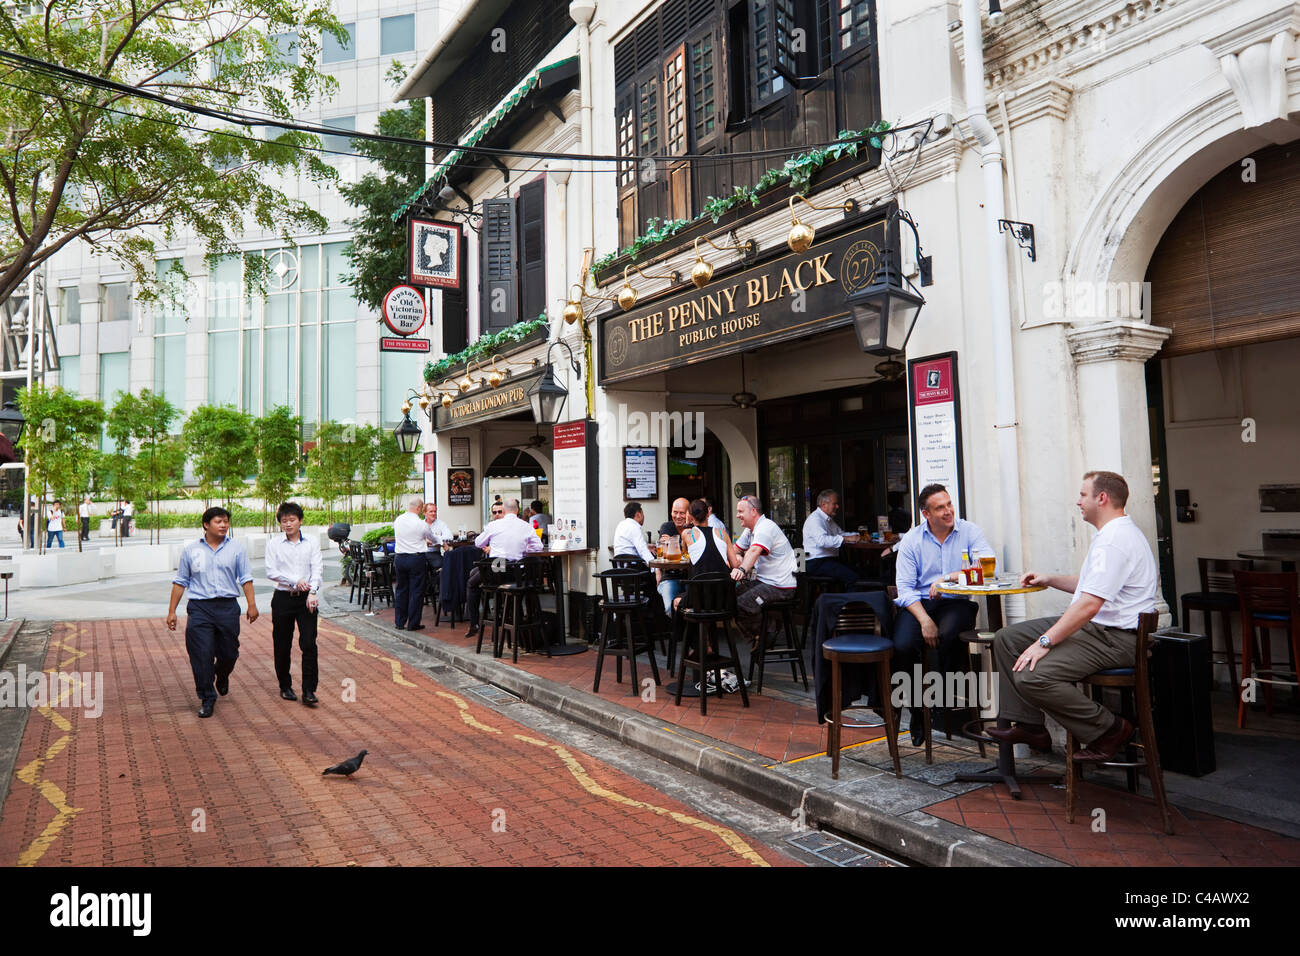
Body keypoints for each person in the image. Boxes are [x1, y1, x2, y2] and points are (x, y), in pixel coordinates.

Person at [987, 471, 1158, 762]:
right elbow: (1091, 585)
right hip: (1098, 630)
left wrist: (1045, 641)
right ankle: (1030, 725)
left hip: (1114, 639)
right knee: (1006, 638)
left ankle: (1111, 729)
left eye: (1082, 495)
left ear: (1101, 498)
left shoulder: (1114, 540)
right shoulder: (1113, 534)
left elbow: (1090, 604)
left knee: (1033, 677)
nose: (1078, 502)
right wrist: (1050, 579)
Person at [891, 483, 990, 743]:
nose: (948, 511)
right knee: (902, 645)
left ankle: (936, 703)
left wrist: (950, 578)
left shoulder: (969, 531)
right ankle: (917, 710)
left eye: (949, 505)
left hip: (955, 602)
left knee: (948, 636)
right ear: (926, 514)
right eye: (940, 508)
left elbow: (988, 569)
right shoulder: (912, 540)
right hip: (920, 604)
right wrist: (924, 621)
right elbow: (904, 589)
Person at [166, 507, 259, 718]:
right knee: (201, 654)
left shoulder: (236, 548)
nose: (224, 525)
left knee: (229, 653)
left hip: (227, 607)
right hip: (200, 608)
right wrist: (172, 611)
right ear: (206, 525)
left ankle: (222, 673)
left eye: (226, 521)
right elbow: (181, 582)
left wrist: (251, 604)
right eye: (219, 521)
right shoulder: (191, 551)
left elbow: (245, 578)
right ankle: (207, 696)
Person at [265, 502, 323, 706]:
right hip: (283, 597)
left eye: (292, 520)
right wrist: (293, 580)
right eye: (284, 521)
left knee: (308, 643)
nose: (288, 524)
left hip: (307, 598)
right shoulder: (274, 543)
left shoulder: (312, 542)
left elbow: (317, 568)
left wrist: (313, 591)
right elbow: (271, 571)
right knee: (282, 644)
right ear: (280, 523)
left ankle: (309, 690)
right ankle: (285, 686)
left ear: (300, 520)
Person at [465, 498, 542, 638]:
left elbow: (478, 542)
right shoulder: (526, 526)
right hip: (517, 571)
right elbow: (539, 547)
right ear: (517, 510)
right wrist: (524, 548)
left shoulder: (494, 525)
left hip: (498, 567)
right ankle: (508, 615)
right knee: (474, 573)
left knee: (471, 583)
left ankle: (474, 623)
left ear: (504, 511)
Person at [730, 495, 798, 653]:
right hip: (765, 582)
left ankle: (767, 631)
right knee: (729, 597)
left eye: (740, 511)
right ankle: (763, 632)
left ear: (753, 511)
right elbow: (735, 549)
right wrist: (738, 556)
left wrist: (741, 569)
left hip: (781, 587)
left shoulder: (765, 527)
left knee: (741, 604)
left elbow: (754, 550)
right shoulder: (750, 529)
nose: (737, 515)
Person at [393, 496, 438, 632]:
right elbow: (432, 538)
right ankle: (413, 624)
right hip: (416, 559)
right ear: (419, 508)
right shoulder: (421, 524)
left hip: (400, 558)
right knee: (416, 591)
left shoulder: (398, 520)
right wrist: (434, 541)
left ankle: (399, 622)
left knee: (401, 590)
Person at [801, 489, 861, 586]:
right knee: (852, 577)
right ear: (824, 504)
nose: (837, 506)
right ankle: (849, 601)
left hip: (827, 561)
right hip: (816, 563)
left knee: (859, 572)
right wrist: (847, 539)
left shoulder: (827, 519)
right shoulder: (815, 519)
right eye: (835, 504)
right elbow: (822, 541)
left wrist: (859, 536)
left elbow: (840, 534)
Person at [656, 497, 692, 610]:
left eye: (682, 513)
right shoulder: (667, 527)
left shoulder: (694, 529)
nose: (677, 516)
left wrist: (672, 541)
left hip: (691, 577)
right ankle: (677, 627)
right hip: (670, 577)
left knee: (693, 607)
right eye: (675, 512)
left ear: (688, 514)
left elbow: (695, 552)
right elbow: (665, 553)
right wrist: (682, 545)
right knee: (670, 608)